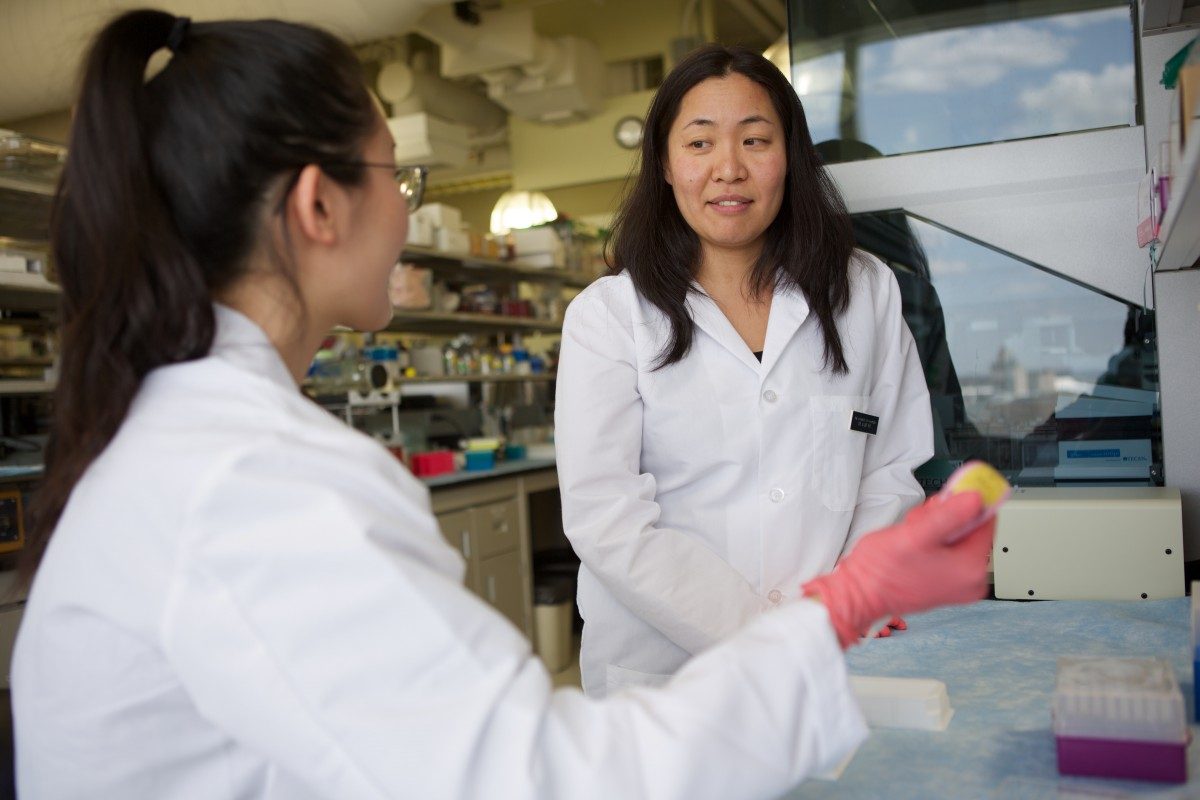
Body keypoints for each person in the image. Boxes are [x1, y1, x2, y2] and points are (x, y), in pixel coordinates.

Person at [12, 12, 993, 799]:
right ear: (318, 207)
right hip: (680, 683)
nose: (405, 206)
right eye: (394, 170)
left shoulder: (199, 442)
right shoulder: (259, 481)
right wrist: (834, 614)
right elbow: (540, 776)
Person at [555, 44, 935, 698]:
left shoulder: (864, 291)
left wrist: (831, 614)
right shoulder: (609, 317)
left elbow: (892, 469)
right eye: (699, 144)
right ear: (667, 167)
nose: (728, 169)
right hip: (667, 678)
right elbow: (606, 519)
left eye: (755, 140)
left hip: (834, 653)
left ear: (790, 158)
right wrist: (768, 636)